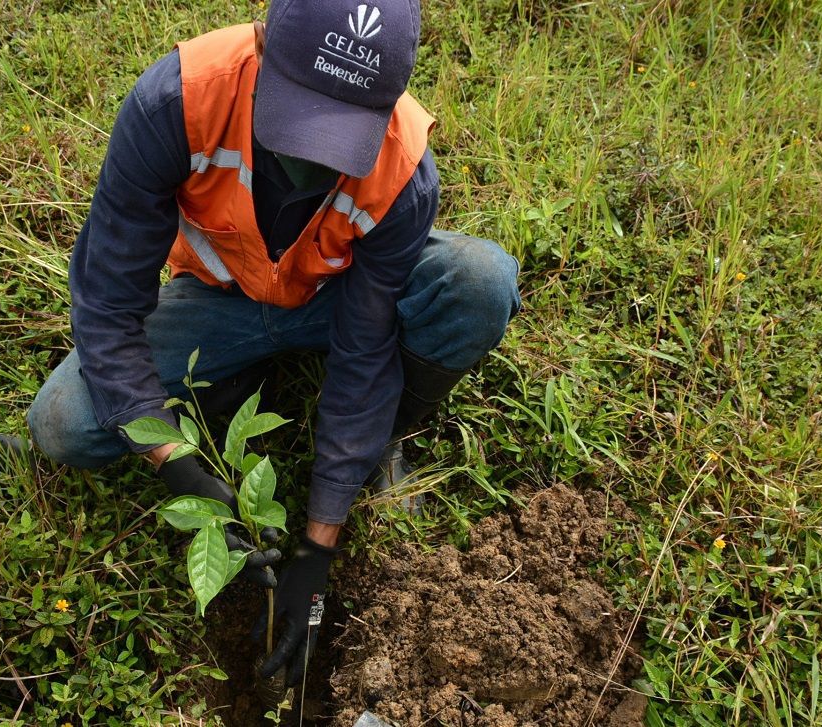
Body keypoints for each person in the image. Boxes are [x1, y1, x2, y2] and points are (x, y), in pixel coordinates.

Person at [27, 0, 519, 686]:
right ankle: (229, 385)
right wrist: (178, 465)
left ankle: (384, 438)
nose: (314, 156)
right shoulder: (178, 100)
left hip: (334, 296)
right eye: (300, 115)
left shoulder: (402, 165)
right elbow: (107, 306)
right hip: (217, 299)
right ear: (261, 44)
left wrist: (319, 545)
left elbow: (365, 343)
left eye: (339, 130)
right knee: (63, 421)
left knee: (479, 279)